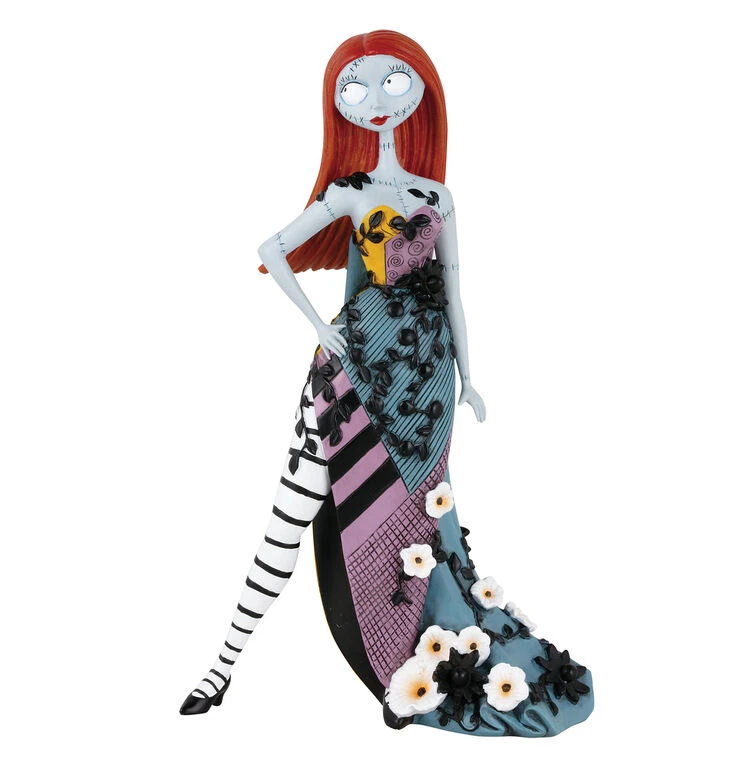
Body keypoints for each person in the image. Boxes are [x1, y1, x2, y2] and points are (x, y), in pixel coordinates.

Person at [180, 30, 593, 737]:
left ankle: (408, 645)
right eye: (356, 87)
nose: (375, 100)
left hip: (425, 383)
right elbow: (272, 249)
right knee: (290, 510)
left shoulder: (438, 196)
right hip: (355, 371)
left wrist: (469, 376)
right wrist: (320, 325)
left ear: (422, 92)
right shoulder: (349, 194)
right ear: (338, 102)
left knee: (418, 523)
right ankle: (222, 664)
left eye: (393, 82)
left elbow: (455, 289)